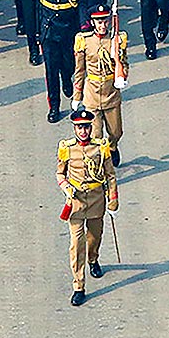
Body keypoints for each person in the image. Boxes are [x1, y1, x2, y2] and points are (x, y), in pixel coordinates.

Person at [57, 108, 119, 306]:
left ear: (91, 127)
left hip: (96, 199)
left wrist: (113, 198)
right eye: (79, 127)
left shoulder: (101, 148)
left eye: (86, 127)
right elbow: (60, 174)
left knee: (94, 236)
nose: (83, 131)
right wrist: (66, 188)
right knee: (76, 245)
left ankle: (93, 259)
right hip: (75, 202)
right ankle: (78, 285)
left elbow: (110, 175)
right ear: (75, 128)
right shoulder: (67, 148)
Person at [73, 4, 129, 163]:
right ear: (92, 23)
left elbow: (124, 63)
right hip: (92, 96)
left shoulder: (115, 40)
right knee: (96, 136)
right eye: (99, 22)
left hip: (111, 94)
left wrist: (122, 77)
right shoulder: (84, 41)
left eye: (105, 21)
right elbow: (80, 71)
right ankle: (101, 164)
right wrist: (77, 96)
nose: (102, 25)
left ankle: (112, 147)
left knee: (116, 132)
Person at [39, 0, 87, 121]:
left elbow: (82, 1)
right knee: (51, 70)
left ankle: (67, 79)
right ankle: (54, 107)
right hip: (49, 27)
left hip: (68, 27)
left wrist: (84, 27)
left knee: (69, 64)